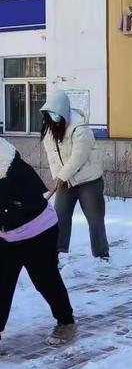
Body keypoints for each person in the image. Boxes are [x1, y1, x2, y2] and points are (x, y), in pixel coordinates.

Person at [0, 138, 76, 346]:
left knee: (45, 279)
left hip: (38, 232)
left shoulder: (14, 170)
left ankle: (66, 321)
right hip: (8, 235)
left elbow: (26, 206)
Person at [40, 90, 109, 260]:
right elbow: (53, 158)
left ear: (63, 112)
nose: (53, 118)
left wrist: (61, 177)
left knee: (95, 219)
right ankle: (55, 253)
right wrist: (58, 177)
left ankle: (101, 254)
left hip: (89, 181)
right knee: (59, 217)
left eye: (56, 114)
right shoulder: (49, 131)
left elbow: (78, 157)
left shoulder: (80, 128)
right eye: (51, 114)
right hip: (66, 181)